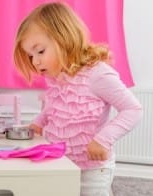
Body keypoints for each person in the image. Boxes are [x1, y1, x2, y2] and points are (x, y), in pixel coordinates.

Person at [13, 2, 143, 196]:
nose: (36, 61)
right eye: (30, 56)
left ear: (65, 38)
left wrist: (103, 140)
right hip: (61, 162)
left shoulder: (97, 74)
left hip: (92, 169)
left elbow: (133, 110)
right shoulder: (58, 77)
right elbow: (54, 107)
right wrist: (38, 123)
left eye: (40, 51)